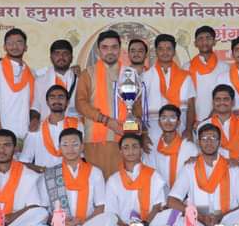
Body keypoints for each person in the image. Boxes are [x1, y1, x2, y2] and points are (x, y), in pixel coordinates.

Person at [168, 123, 239, 226]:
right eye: (204, 138)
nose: (209, 142)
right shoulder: (190, 167)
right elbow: (172, 201)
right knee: (177, 224)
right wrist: (201, 217)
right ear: (198, 142)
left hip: (225, 220)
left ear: (219, 142)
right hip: (199, 220)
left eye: (213, 138)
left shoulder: (231, 167)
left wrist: (221, 217)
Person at [75, 30, 146, 178]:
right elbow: (80, 104)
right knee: (97, 185)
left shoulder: (129, 73)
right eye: (105, 47)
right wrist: (106, 121)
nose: (110, 51)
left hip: (126, 141)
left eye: (114, 47)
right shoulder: (88, 73)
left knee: (124, 185)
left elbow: (137, 105)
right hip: (96, 140)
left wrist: (138, 120)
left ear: (120, 49)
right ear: (98, 50)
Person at [105, 133, 175, 226]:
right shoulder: (113, 180)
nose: (131, 151)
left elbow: (158, 206)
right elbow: (112, 212)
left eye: (135, 146)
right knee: (108, 225)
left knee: (169, 214)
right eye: (126, 147)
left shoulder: (153, 175)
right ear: (120, 152)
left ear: (141, 150)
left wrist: (145, 224)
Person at [55, 128, 121, 226]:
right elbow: (46, 209)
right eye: (65, 145)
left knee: (110, 218)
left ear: (82, 147)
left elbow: (100, 206)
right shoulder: (52, 174)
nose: (70, 149)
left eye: (75, 144)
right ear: (59, 148)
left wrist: (82, 222)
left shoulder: (95, 172)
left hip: (87, 225)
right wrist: (62, 222)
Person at [204, 84, 239, 191]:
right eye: (218, 99)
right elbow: (202, 156)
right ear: (213, 102)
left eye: (226, 99)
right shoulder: (204, 126)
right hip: (214, 180)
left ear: (233, 102)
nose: (222, 102)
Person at [0, 28, 36, 148]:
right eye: (10, 43)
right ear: (4, 47)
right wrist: (0, 136)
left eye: (19, 42)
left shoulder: (32, 73)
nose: (14, 46)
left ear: (26, 47)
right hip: (0, 134)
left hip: (24, 136)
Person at [141, 34, 196, 142]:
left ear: (174, 51)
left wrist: (189, 130)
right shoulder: (146, 76)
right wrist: (143, 133)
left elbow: (191, 106)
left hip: (180, 127)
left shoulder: (185, 76)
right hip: (153, 129)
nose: (165, 52)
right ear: (156, 51)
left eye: (168, 49)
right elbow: (139, 107)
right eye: (161, 49)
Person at [20, 84, 81, 172]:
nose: (57, 100)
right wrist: (43, 170)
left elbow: (83, 156)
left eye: (61, 97)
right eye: (52, 97)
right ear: (47, 102)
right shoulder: (36, 129)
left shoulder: (77, 125)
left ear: (67, 102)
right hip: (43, 178)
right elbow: (24, 162)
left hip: (72, 177)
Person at [144, 104, 198, 189]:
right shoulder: (152, 148)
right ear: (159, 123)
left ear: (178, 123)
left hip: (184, 195)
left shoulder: (189, 148)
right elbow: (150, 175)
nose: (168, 122)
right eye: (164, 118)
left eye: (172, 118)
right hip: (159, 194)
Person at [183, 26, 229, 124]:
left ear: (214, 42)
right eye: (200, 38)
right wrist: (191, 122)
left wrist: (209, 119)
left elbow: (226, 96)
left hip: (218, 119)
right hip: (193, 122)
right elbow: (185, 98)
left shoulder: (225, 67)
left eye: (208, 38)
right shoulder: (186, 67)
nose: (204, 42)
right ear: (195, 43)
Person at [31, 40, 79, 125]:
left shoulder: (79, 80)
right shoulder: (40, 81)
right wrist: (34, 120)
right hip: (48, 128)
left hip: (74, 127)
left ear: (71, 58)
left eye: (65, 53)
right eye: (57, 53)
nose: (61, 57)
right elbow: (35, 106)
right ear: (51, 58)